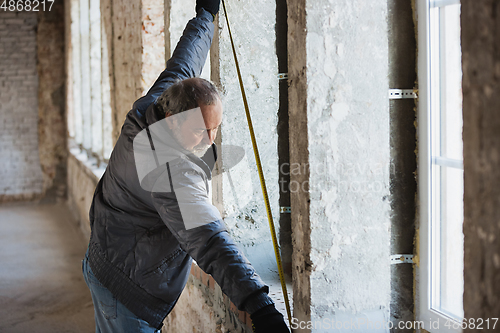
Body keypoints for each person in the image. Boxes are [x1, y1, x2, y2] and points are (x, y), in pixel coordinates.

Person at [81, 1, 290, 332]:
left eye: (215, 128)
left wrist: (205, 15)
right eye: (199, 130)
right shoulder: (169, 169)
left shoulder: (159, 102)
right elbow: (208, 238)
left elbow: (184, 61)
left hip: (106, 256)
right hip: (126, 290)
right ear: (172, 121)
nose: (209, 139)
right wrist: (259, 304)